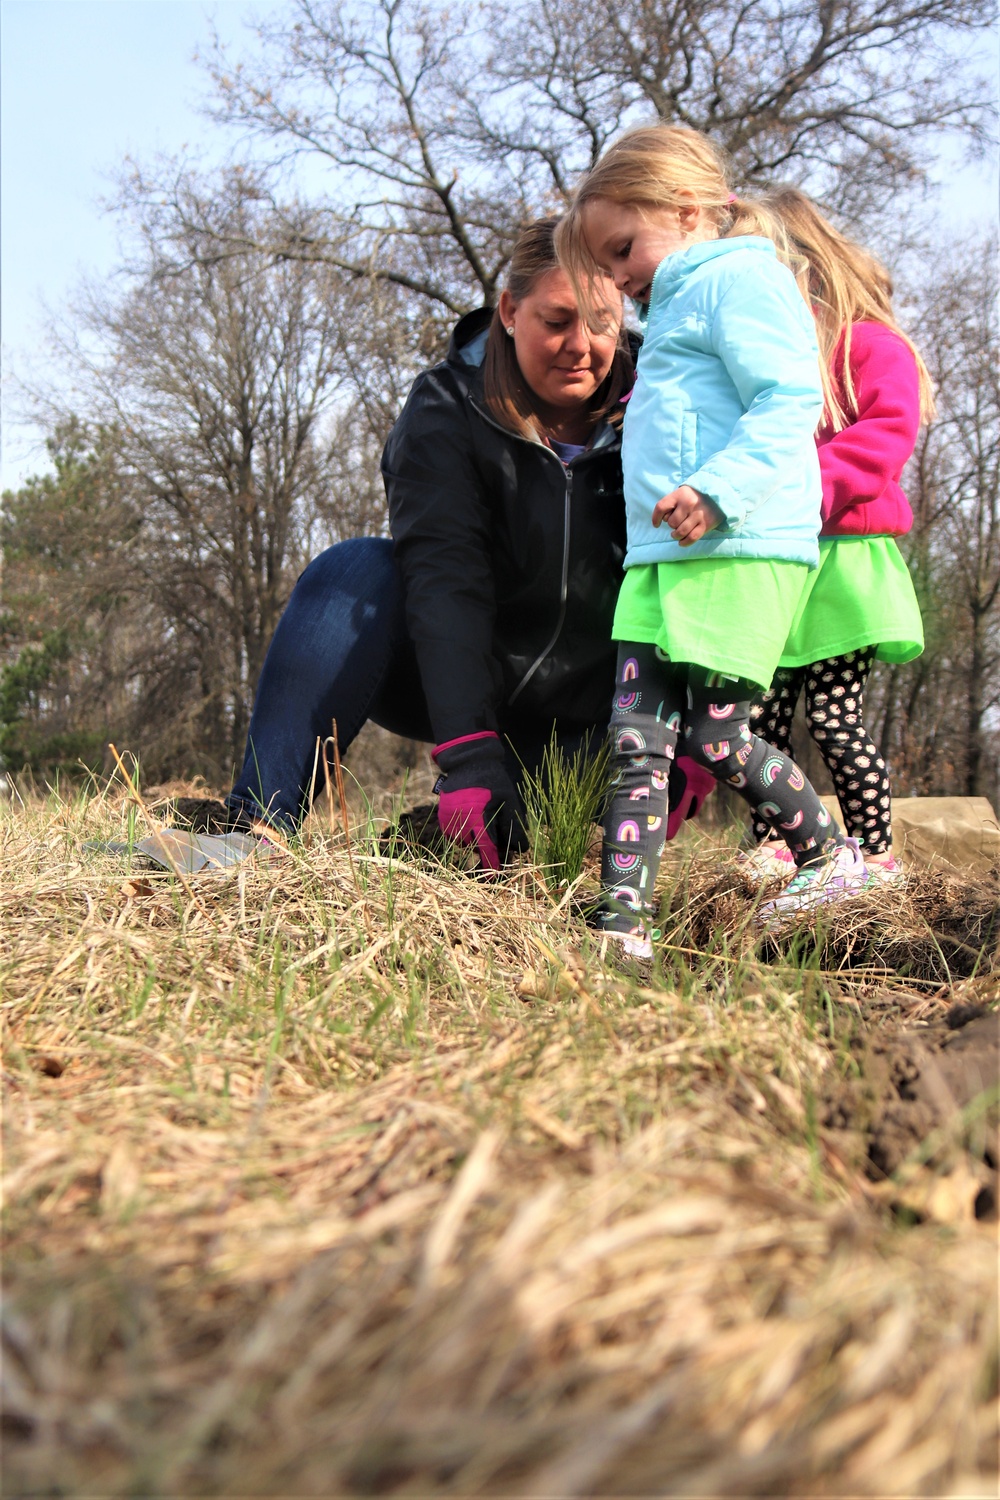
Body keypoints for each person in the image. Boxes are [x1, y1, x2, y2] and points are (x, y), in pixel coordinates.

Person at [179, 218, 712, 866]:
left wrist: (704, 729)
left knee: (542, 842)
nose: (582, 346)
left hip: (592, 718)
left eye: (602, 322)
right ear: (510, 311)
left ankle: (457, 834)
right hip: (460, 685)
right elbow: (443, 576)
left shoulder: (663, 400)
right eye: (557, 320)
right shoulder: (446, 405)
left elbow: (710, 571)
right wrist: (469, 750)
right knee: (353, 573)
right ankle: (258, 827)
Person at [556, 123, 872, 957]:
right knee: (636, 738)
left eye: (623, 250)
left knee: (715, 736)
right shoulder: (676, 305)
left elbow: (787, 399)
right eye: (610, 265)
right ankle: (622, 927)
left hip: (740, 546)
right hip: (663, 558)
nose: (622, 280)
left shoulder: (741, 281)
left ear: (688, 209)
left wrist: (718, 492)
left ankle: (831, 856)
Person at [741, 188, 934, 887]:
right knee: (759, 718)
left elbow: (886, 436)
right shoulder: (768, 355)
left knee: (833, 716)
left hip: (845, 561)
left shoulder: (869, 344)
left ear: (805, 269)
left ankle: (876, 853)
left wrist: (793, 489)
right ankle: (776, 843)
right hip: (781, 563)